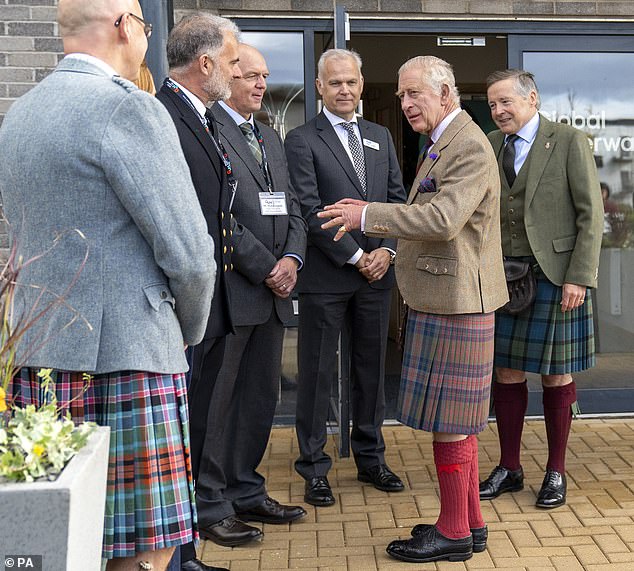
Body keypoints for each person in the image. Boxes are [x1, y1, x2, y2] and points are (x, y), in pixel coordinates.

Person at [0, 1, 216, 570]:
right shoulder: (130, 111)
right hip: (129, 355)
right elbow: (191, 256)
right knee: (146, 547)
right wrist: (187, 331)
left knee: (61, 536)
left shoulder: (19, 114)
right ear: (124, 25)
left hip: (39, 359)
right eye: (145, 26)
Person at [319, 54, 508, 564]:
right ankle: (468, 522)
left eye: (412, 94)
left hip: (456, 303)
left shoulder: (466, 144)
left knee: (452, 421)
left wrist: (367, 214)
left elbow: (443, 219)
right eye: (401, 95)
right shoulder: (446, 140)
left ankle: (452, 534)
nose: (403, 103)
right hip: (445, 298)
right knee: (457, 420)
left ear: (445, 93)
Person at [195, 42, 308, 542]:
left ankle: (246, 488)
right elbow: (218, 216)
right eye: (252, 76)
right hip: (235, 292)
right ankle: (210, 502)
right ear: (227, 76)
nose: (262, 84)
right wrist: (267, 267)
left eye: (266, 76)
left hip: (275, 292)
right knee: (219, 404)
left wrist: (293, 259)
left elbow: (296, 209)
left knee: (262, 398)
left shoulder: (269, 135)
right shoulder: (208, 130)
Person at [285, 48, 407, 508]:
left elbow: (396, 201)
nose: (344, 90)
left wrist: (388, 252)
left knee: (371, 371)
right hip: (328, 275)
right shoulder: (302, 139)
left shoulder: (379, 135)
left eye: (351, 82)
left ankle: (371, 459)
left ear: (361, 84)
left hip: (377, 276)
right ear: (319, 87)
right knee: (316, 375)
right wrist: (358, 256)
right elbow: (310, 211)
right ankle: (314, 467)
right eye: (334, 82)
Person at [479, 69, 603, 509]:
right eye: (492, 105)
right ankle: (510, 467)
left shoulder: (568, 141)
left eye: (505, 102)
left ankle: (555, 470)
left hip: (554, 275)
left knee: (556, 373)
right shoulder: (490, 145)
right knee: (506, 372)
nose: (497, 111)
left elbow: (591, 214)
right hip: (502, 276)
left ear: (531, 98)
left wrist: (579, 275)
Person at [155, 13, 241, 571]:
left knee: (197, 434)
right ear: (205, 63)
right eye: (232, 62)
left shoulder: (202, 117)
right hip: (184, 314)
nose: (237, 73)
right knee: (177, 442)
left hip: (209, 308)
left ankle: (185, 551)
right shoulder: (164, 116)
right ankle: (178, 555)